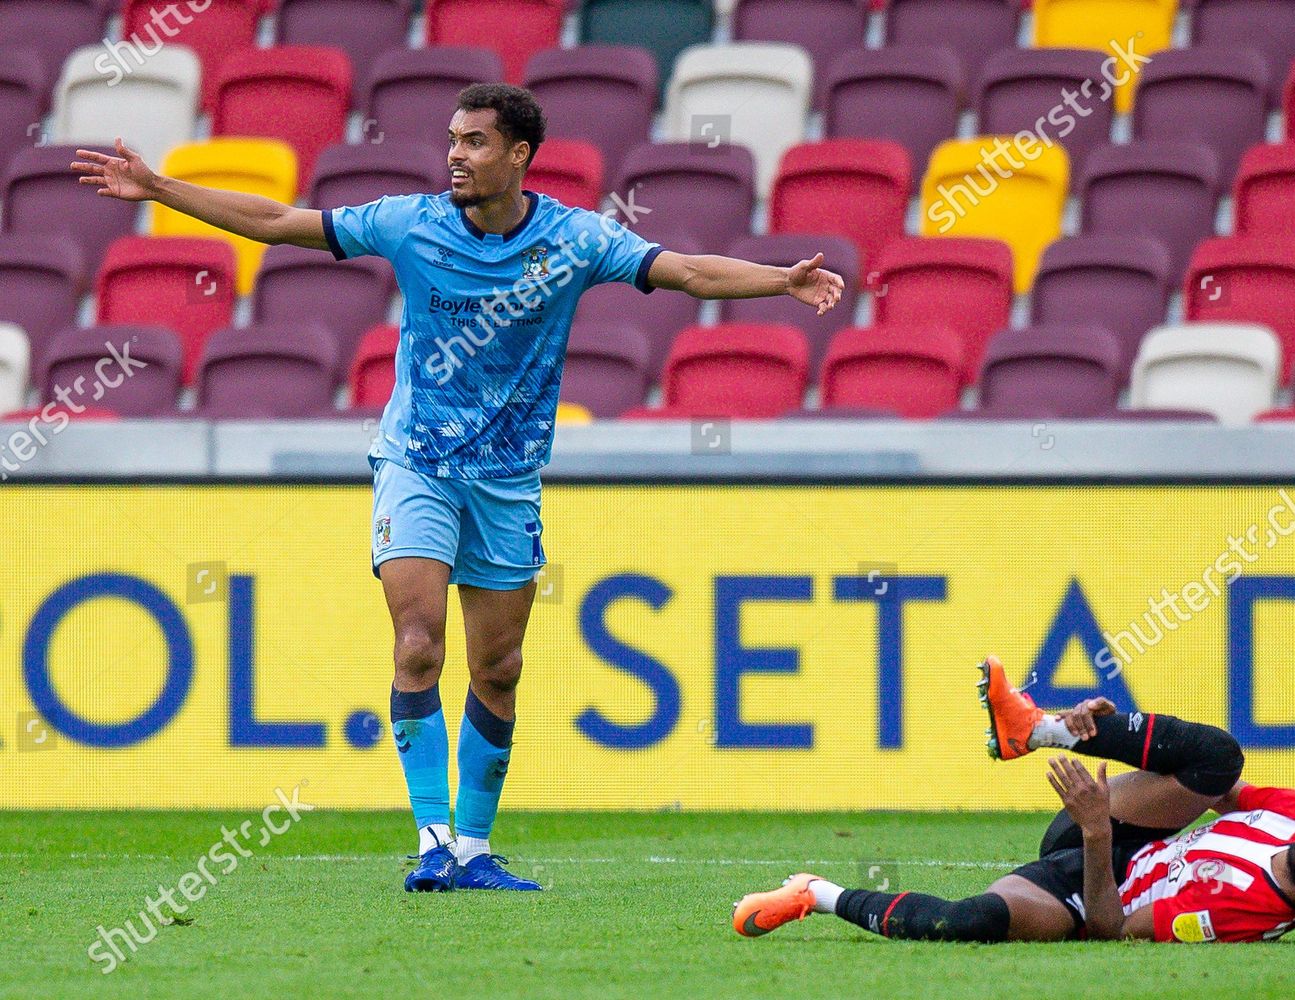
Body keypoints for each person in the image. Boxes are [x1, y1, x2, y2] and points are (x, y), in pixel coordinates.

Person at [75, 83, 844, 892]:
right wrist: (160, 189)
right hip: (416, 464)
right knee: (417, 644)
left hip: (508, 479)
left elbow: (685, 271)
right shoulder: (412, 223)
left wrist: (778, 281)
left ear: (519, 156)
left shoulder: (574, 240)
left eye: (475, 142)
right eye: (452, 139)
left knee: (500, 667)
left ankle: (475, 851)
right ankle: (434, 842)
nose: (455, 154)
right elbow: (279, 223)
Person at [733, 656, 1295, 943]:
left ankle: (810, 894)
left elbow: (1114, 932)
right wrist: (1113, 739)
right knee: (1219, 756)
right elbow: (1214, 786)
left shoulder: (1240, 918)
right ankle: (1042, 728)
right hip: (1131, 824)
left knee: (965, 925)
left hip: (1091, 880)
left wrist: (1094, 833)